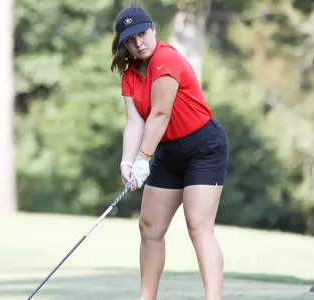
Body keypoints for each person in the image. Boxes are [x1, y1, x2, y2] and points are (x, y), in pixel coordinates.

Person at [110, 6, 229, 300]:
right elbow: (135, 120)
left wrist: (143, 159)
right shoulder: (129, 75)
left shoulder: (165, 58)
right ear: (124, 45)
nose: (139, 43)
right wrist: (128, 160)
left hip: (204, 146)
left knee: (198, 225)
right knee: (149, 225)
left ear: (153, 30)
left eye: (142, 34)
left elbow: (161, 114)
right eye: (131, 40)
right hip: (167, 150)